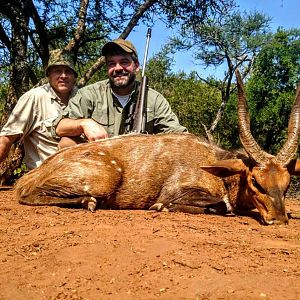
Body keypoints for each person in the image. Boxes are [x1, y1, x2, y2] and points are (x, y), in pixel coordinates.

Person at [54, 38, 187, 148]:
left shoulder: (154, 99)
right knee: (67, 143)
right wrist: (84, 124)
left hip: (140, 163)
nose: (118, 68)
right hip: (99, 163)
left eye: (124, 62)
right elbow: (59, 127)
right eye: (112, 64)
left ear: (136, 66)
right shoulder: (90, 94)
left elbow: (178, 135)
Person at [0, 49, 78, 170]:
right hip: (45, 178)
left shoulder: (82, 97)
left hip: (79, 172)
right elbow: (6, 139)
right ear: (49, 76)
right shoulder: (34, 97)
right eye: (58, 71)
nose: (63, 76)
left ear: (74, 77)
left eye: (68, 72)